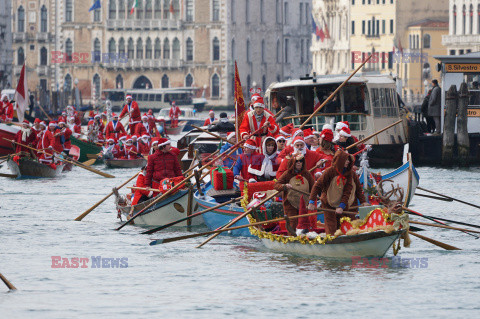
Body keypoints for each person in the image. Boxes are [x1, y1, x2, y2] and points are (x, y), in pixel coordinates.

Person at [308, 150, 368, 235]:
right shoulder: (329, 172)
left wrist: (342, 206)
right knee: (332, 228)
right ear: (340, 160)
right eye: (346, 160)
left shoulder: (350, 174)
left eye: (348, 160)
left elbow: (349, 191)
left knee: (346, 227)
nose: (348, 162)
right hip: (328, 204)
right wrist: (311, 202)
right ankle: (332, 240)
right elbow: (317, 186)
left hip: (344, 204)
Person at [274, 155, 315, 236]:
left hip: (304, 204)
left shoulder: (307, 174)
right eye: (297, 161)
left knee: (304, 223)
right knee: (292, 223)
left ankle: (304, 238)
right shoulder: (287, 174)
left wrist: (312, 201)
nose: (299, 163)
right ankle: (292, 239)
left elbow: (314, 188)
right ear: (293, 163)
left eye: (301, 161)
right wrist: (284, 186)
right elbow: (276, 185)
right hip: (290, 204)